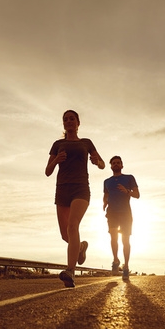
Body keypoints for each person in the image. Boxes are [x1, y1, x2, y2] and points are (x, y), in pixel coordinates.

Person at [45, 110, 105, 287]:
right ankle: (80, 248)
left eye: (72, 119)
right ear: (63, 124)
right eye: (65, 119)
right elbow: (47, 171)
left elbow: (101, 164)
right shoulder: (57, 144)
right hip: (62, 190)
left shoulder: (86, 143)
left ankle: (70, 271)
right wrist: (56, 160)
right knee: (66, 234)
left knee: (73, 226)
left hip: (81, 189)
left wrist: (96, 161)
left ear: (78, 123)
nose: (69, 121)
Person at [103, 155, 139, 280]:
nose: (116, 164)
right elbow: (106, 195)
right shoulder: (107, 181)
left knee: (125, 240)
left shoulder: (129, 178)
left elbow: (137, 195)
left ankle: (126, 267)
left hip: (125, 213)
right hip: (112, 212)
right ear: (111, 166)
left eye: (118, 162)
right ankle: (115, 260)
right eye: (114, 163)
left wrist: (127, 191)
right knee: (113, 236)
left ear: (122, 165)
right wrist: (104, 203)